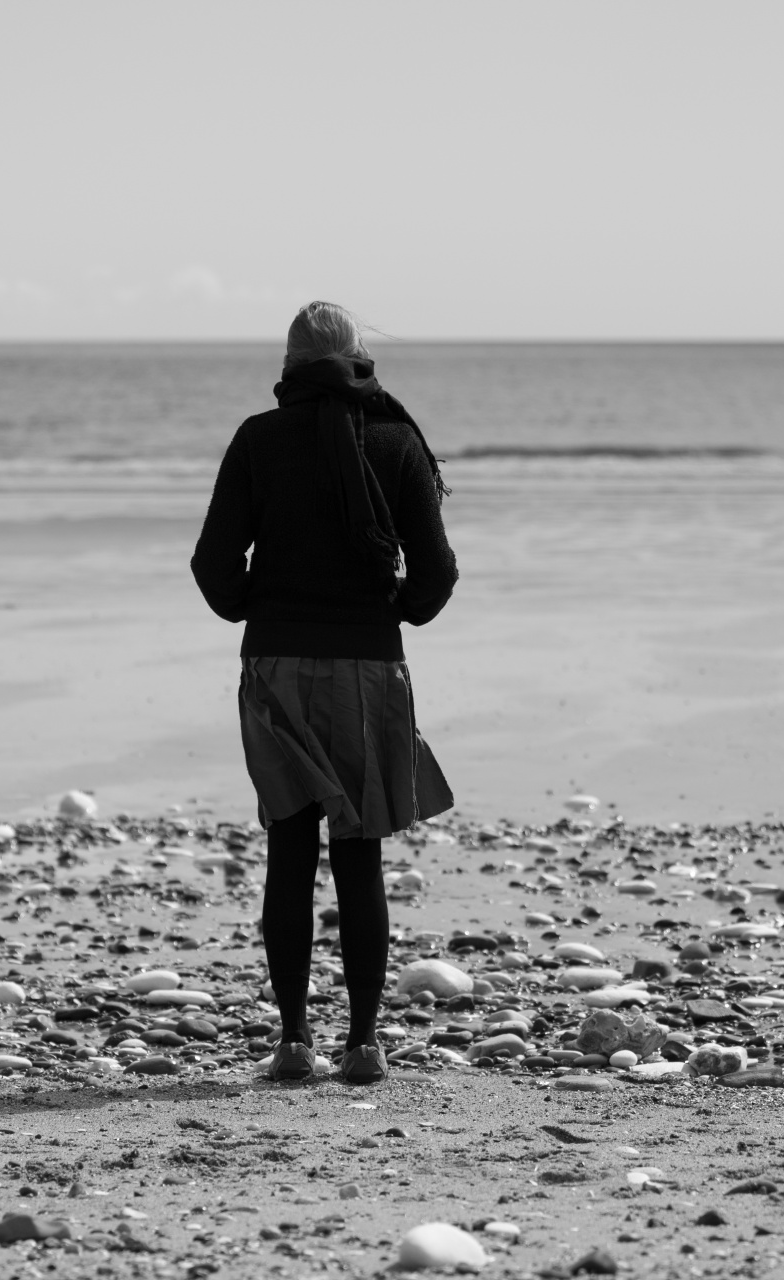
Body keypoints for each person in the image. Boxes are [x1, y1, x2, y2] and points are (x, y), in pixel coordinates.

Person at [191, 301, 458, 1085]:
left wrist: (259, 605)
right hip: (368, 669)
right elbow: (436, 577)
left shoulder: (257, 439)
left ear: (289, 363)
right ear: (359, 358)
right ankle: (365, 1042)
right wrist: (393, 610)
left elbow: (213, 566)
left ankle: (294, 1040)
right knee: (358, 852)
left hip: (274, 665)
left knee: (287, 846)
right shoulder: (397, 440)